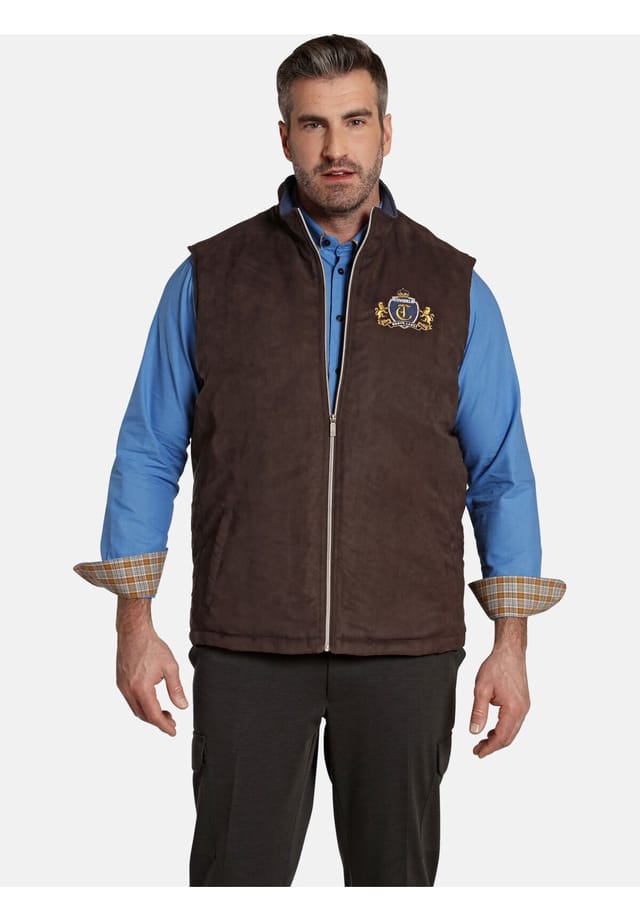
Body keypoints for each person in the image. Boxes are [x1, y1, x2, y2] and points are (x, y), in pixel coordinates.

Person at [74, 34, 566, 887]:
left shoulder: (453, 289)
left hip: (407, 649)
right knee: (235, 883)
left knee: (394, 885)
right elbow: (148, 451)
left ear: (387, 131)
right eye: (313, 125)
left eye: (355, 121)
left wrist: (511, 645)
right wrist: (134, 625)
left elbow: (501, 473)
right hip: (247, 643)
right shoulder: (210, 280)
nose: (337, 147)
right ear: (284, 136)